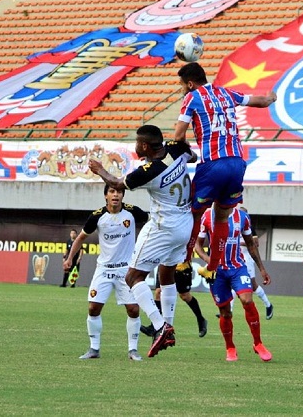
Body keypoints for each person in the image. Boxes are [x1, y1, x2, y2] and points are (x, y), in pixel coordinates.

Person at [89, 124, 194, 358]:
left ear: (144, 145)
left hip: (163, 226)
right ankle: (168, 326)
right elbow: (192, 154)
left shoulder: (149, 170)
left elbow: (116, 183)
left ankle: (160, 326)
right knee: (166, 274)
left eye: (137, 143)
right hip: (185, 223)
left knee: (132, 277)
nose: (135, 146)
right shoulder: (175, 150)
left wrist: (99, 169)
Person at [173, 62, 277, 282]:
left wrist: (187, 152)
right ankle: (211, 267)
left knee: (195, 213)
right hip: (237, 164)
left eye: (182, 85)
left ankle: (185, 261)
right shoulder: (226, 92)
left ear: (190, 83)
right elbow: (260, 101)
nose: (182, 89)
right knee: (222, 217)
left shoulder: (191, 98)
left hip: (212, 164)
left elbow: (178, 136)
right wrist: (271, 97)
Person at [64, 184, 149, 361]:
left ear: (123, 195)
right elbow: (80, 238)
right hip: (103, 269)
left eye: (118, 192)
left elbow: (153, 221)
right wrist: (69, 258)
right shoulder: (97, 216)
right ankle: (94, 348)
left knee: (133, 310)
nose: (115, 195)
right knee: (93, 308)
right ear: (106, 196)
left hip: (126, 270)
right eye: (112, 192)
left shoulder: (133, 212)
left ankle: (133, 350)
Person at [195, 206, 273, 362]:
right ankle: (230, 347)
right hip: (218, 273)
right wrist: (208, 261)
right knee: (225, 313)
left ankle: (258, 343)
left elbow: (251, 244)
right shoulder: (208, 216)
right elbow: (198, 245)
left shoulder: (242, 217)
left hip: (238, 268)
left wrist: (262, 269)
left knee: (247, 300)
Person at [140, 264, 208, 338]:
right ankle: (153, 326)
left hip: (181, 267)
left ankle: (201, 319)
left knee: (185, 296)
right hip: (164, 265)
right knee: (158, 292)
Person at [239, 207, 274, 320]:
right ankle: (227, 311)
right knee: (234, 284)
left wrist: (240, 242)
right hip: (237, 258)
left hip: (248, 258)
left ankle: (268, 305)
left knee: (253, 285)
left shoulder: (249, 227)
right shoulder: (234, 225)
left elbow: (255, 243)